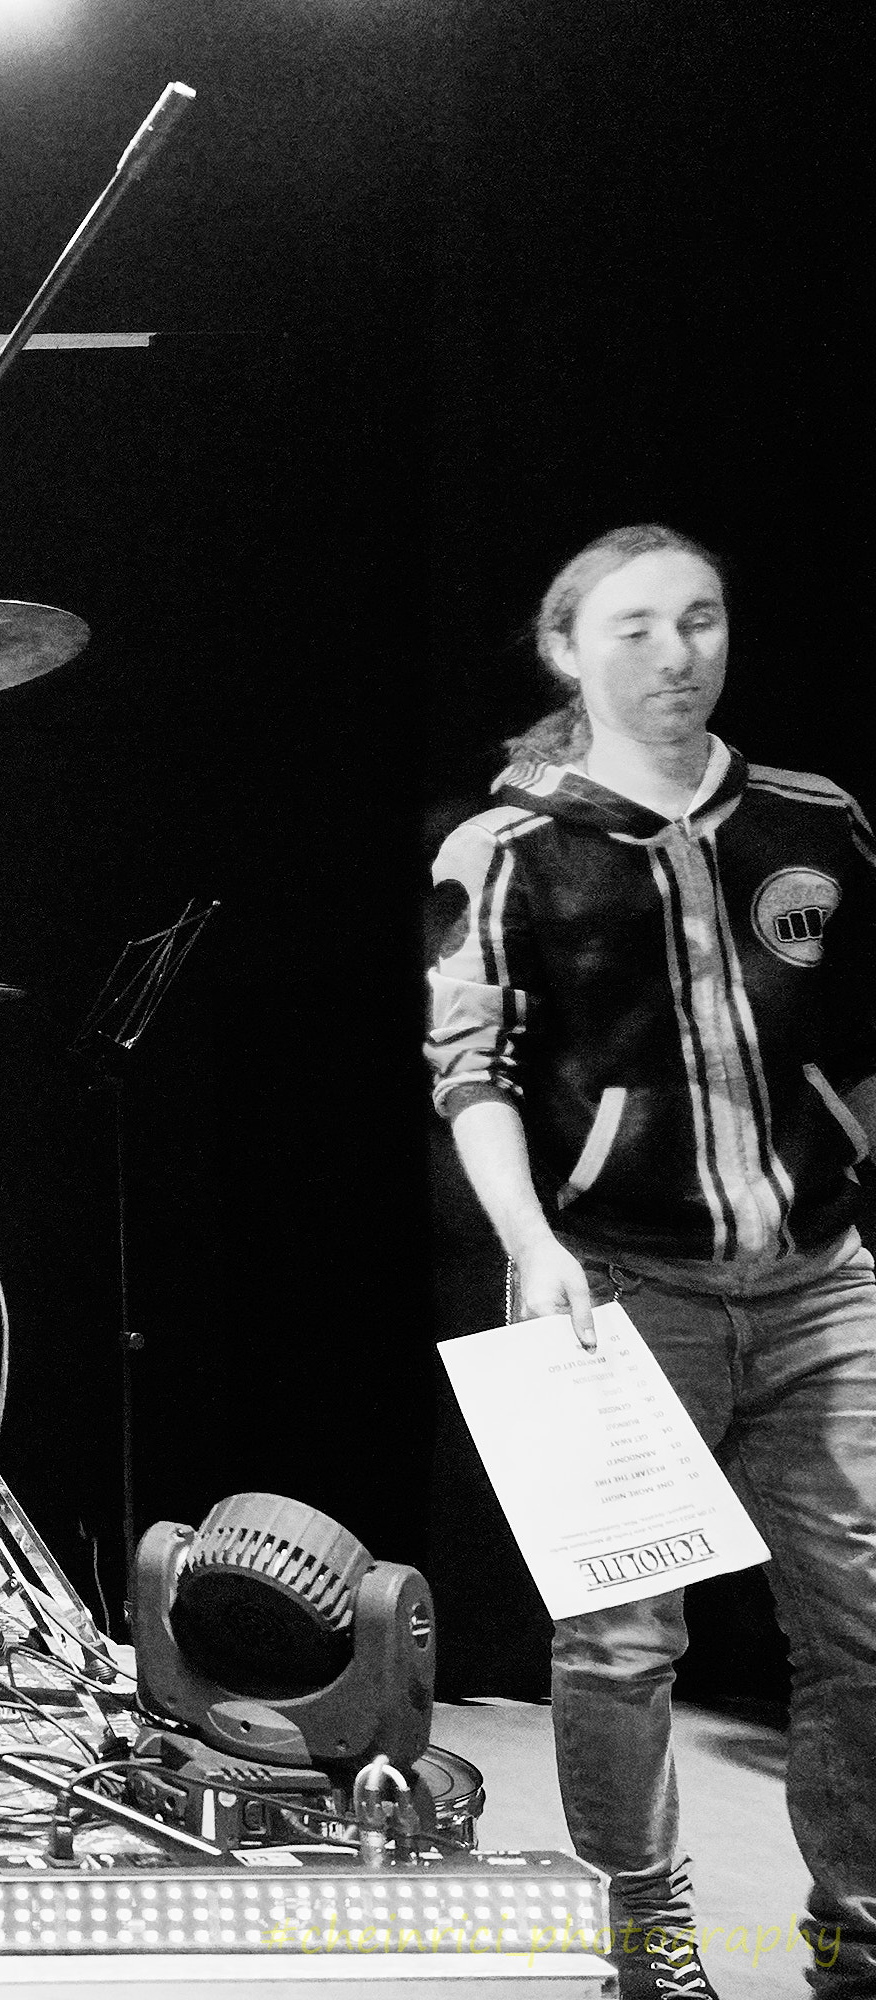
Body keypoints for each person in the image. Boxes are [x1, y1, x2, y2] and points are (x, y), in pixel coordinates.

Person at [426, 525, 874, 2000]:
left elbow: (861, 1037)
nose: (676, 653)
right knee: (620, 1647)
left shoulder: (815, 818)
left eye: (701, 617)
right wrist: (530, 1243)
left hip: (820, 1284)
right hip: (613, 1290)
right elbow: (472, 1073)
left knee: (862, 1631)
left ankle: (858, 1937)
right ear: (566, 650)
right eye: (633, 627)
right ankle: (646, 1942)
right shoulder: (503, 846)